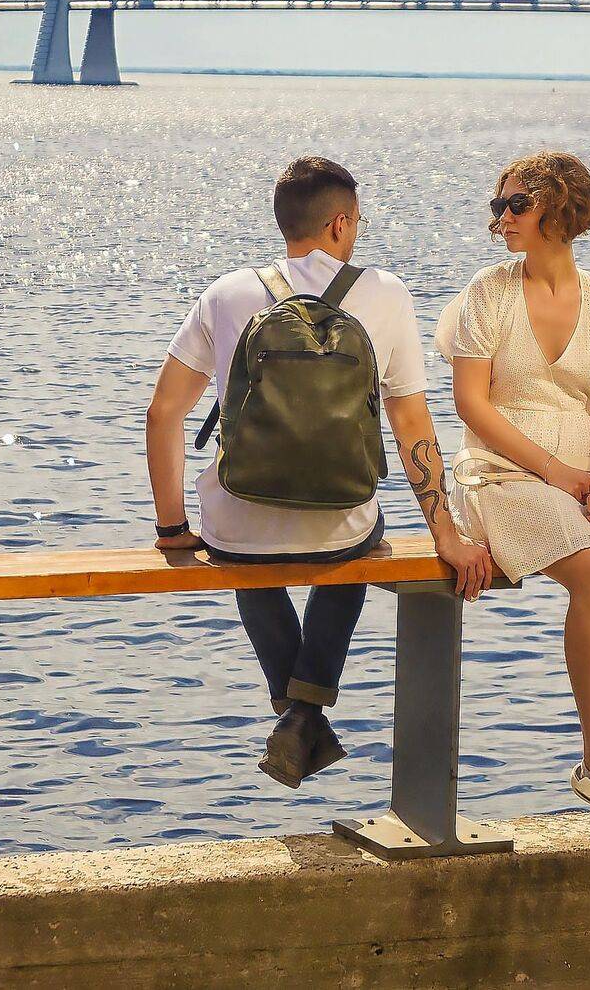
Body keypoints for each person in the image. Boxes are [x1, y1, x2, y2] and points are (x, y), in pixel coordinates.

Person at [147, 156, 491, 791]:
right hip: (341, 527)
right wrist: (445, 533)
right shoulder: (386, 293)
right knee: (361, 536)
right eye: (357, 221)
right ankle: (304, 711)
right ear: (339, 223)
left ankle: (296, 712)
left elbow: (163, 413)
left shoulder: (227, 294)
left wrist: (172, 528)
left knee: (240, 541)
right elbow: (412, 422)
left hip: (236, 528)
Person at [435, 151, 590, 838]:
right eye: (499, 205)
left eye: (518, 204)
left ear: (558, 210)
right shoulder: (487, 294)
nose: (502, 217)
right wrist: (560, 474)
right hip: (501, 474)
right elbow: (471, 405)